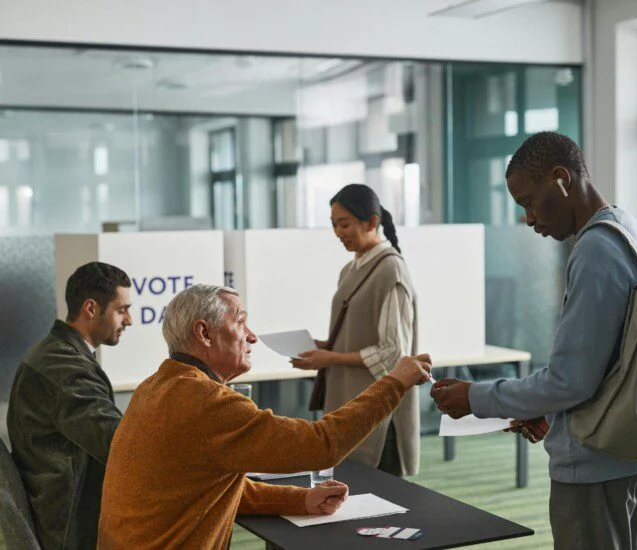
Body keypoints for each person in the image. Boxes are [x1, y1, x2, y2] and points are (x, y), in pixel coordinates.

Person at [98, 284, 431, 549]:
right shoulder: (207, 402)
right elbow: (321, 446)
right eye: (240, 322)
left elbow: (209, 486)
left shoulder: (154, 387)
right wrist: (394, 383)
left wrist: (301, 499)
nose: (252, 335)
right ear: (204, 333)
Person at [431, 132, 637, 549]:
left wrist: (475, 398)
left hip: (592, 469)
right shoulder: (625, 229)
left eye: (529, 201)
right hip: (620, 452)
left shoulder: (596, 250)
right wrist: (557, 415)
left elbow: (569, 380)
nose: (529, 219)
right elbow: (609, 365)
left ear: (561, 178)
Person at [292, 183, 419, 477]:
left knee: (382, 503)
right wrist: (323, 347)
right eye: (334, 225)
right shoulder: (350, 270)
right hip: (350, 405)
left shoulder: (391, 270)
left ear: (372, 222)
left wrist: (330, 359)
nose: (338, 233)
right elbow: (356, 336)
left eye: (344, 224)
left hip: (378, 412)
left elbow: (393, 355)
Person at [7, 261, 132, 550]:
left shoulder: (55, 353)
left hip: (60, 514)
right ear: (91, 308)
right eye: (121, 309)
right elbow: (119, 443)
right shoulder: (63, 368)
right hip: (70, 530)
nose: (129, 320)